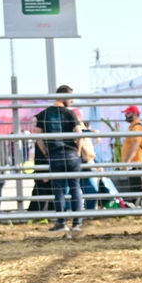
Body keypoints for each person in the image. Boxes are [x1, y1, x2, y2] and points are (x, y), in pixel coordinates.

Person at [35, 86, 83, 232]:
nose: (72, 100)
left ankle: (62, 223)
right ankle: (77, 223)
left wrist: (46, 154)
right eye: (71, 97)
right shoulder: (70, 113)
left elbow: (38, 138)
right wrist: (78, 151)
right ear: (64, 97)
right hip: (71, 153)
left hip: (55, 154)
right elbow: (79, 134)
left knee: (59, 191)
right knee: (75, 188)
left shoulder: (44, 114)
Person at [121, 106, 142, 206]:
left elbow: (135, 146)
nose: (126, 115)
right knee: (135, 189)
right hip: (135, 162)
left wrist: (127, 161)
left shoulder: (137, 127)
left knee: (139, 189)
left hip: (137, 162)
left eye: (128, 113)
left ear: (135, 114)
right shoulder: (133, 127)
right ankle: (136, 209)